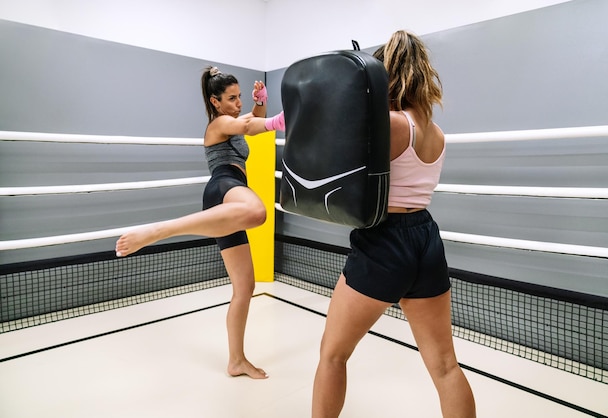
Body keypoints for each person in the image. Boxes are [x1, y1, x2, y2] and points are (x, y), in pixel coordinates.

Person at [312, 30, 476, 417]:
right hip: (425, 238)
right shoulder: (436, 134)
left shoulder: (391, 125)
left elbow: (334, 162)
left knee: (332, 355)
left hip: (384, 241)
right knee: (445, 365)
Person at [115, 66, 285, 379]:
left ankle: (236, 360)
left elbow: (249, 122)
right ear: (215, 101)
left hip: (227, 198)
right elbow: (248, 126)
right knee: (258, 212)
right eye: (231, 98)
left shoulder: (231, 120)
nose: (238, 103)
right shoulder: (219, 123)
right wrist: (284, 119)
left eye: (240, 97)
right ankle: (160, 230)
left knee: (245, 287)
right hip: (224, 189)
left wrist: (260, 102)